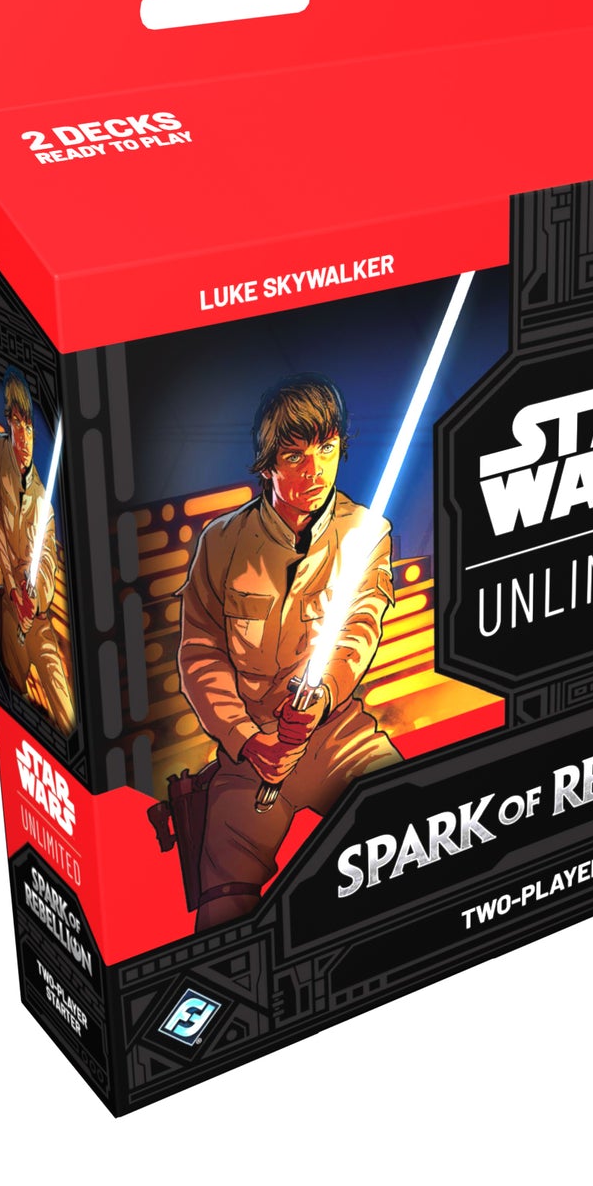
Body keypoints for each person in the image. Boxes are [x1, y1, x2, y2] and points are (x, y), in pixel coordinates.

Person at [178, 375, 398, 930]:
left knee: (413, 826)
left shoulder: (366, 533)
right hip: (249, 750)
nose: (315, 470)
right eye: (295, 455)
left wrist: (321, 698)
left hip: (336, 735)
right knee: (222, 902)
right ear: (267, 464)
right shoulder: (221, 543)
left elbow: (359, 629)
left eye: (327, 449)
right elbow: (200, 654)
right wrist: (246, 740)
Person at [0, 365, 76, 732]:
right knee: (12, 694)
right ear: (8, 422)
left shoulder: (43, 506)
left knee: (66, 712)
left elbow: (48, 567)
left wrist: (31, 594)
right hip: (8, 609)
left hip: (36, 620)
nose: (23, 437)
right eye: (16, 423)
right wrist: (11, 585)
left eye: (28, 426)